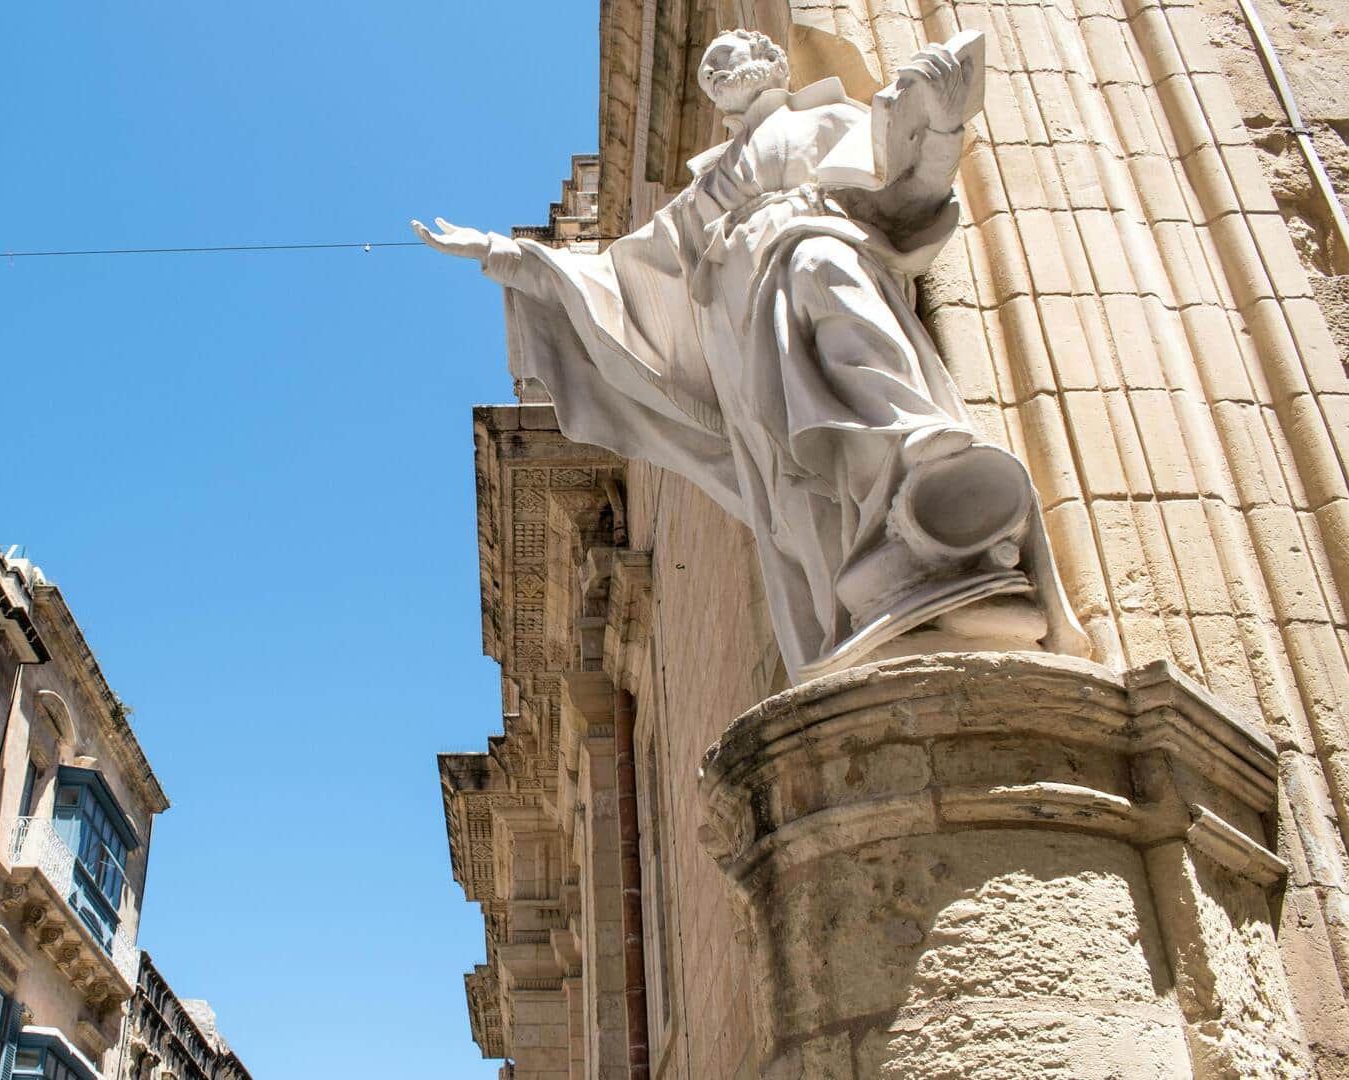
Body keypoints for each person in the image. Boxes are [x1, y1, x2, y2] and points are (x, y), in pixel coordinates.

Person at [415, 29, 1087, 677]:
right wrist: (503, 255)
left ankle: (922, 468)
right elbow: (614, 281)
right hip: (744, 344)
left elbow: (908, 194)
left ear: (768, 59)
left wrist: (941, 127)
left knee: (823, 280)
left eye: (729, 57)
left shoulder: (824, 121)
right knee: (789, 481)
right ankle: (854, 603)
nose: (719, 72)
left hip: (817, 257)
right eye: (710, 69)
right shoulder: (701, 194)